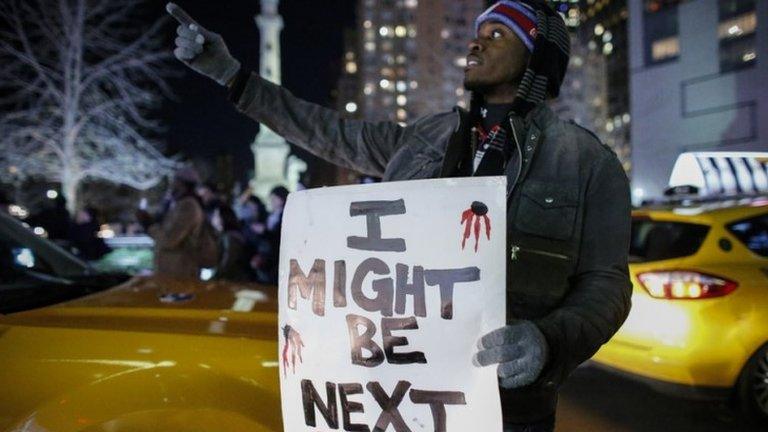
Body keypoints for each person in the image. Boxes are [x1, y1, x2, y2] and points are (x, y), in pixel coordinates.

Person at [166, 1, 632, 430]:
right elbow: (326, 131)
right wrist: (232, 76)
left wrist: (548, 342)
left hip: (510, 411)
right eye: (477, 32)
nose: (475, 42)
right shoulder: (425, 138)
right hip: (398, 401)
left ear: (537, 60)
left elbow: (607, 286)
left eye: (497, 35)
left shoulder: (587, 163)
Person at [136, 167, 211, 279]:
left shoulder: (188, 206)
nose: (171, 185)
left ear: (181, 183)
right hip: (172, 272)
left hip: (179, 273)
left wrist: (148, 225)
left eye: (174, 181)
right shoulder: (178, 204)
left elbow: (169, 239)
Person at [211, 203, 250, 281]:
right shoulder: (225, 236)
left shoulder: (230, 237)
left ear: (223, 218)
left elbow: (227, 261)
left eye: (216, 215)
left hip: (231, 280)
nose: (213, 218)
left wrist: (214, 277)